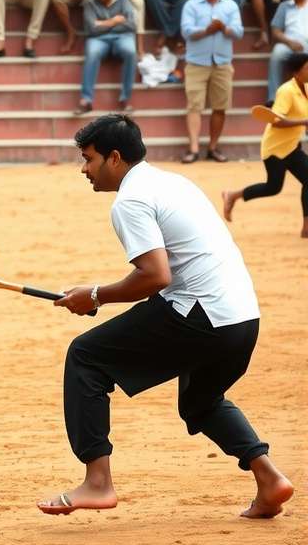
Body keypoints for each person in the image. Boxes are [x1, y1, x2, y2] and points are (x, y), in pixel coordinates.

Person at [37, 114, 294, 521]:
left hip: (201, 315)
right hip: (242, 317)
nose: (83, 170)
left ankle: (98, 482)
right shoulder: (173, 182)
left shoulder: (130, 201)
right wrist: (95, 296)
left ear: (114, 157)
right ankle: (270, 479)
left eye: (88, 159)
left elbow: (155, 276)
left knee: (86, 357)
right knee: (201, 402)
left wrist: (96, 296)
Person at [223, 52, 308, 237]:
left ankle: (306, 228)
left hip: (292, 147)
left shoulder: (307, 88)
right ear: (296, 72)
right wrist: (304, 122)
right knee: (273, 187)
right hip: (275, 149)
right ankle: (233, 195)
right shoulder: (286, 91)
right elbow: (276, 120)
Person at [180, 0, 243, 163]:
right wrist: (207, 30)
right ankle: (194, 149)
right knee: (194, 107)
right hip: (196, 63)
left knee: (220, 107)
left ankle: (213, 148)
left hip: (223, 63)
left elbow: (239, 32)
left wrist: (223, 28)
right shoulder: (191, 5)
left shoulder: (231, 5)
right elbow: (186, 31)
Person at [75, 0, 137, 114]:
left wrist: (101, 24)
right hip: (98, 40)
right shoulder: (90, 2)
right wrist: (115, 21)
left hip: (122, 37)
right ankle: (86, 100)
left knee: (131, 51)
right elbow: (91, 30)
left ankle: (125, 98)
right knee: (91, 52)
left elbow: (132, 25)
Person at [267, 0, 308, 103]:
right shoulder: (284, 6)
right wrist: (289, 43)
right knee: (277, 53)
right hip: (291, 43)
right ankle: (274, 97)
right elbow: (275, 31)